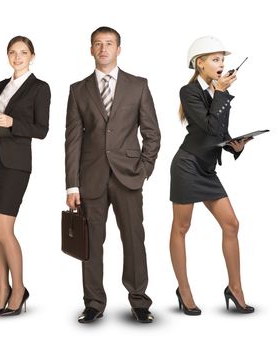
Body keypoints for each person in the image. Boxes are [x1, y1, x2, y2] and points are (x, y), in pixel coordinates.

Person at [65, 26, 161, 323]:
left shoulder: (138, 85)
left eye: (109, 43)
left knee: (134, 239)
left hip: (129, 175)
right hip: (90, 178)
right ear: (91, 49)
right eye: (98, 44)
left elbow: (152, 133)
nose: (103, 48)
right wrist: (72, 185)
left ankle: (139, 301)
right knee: (90, 243)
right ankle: (93, 302)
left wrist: (144, 169)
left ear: (119, 49)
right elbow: (73, 140)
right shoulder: (78, 90)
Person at [169, 36, 254, 315]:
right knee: (182, 228)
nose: (221, 64)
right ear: (199, 63)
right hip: (187, 165)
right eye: (215, 59)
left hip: (206, 168)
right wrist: (220, 92)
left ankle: (235, 288)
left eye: (222, 59)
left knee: (231, 224)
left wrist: (234, 145)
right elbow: (206, 127)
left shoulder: (217, 92)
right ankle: (184, 289)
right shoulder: (189, 91)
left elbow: (218, 131)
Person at [0, 36, 51, 316]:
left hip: (16, 164)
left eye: (23, 52)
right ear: (7, 55)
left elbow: (42, 129)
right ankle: (2, 290)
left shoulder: (40, 88)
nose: (17, 57)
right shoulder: (1, 86)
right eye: (13, 53)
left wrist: (14, 122)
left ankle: (19, 290)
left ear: (32, 55)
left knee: (3, 230)